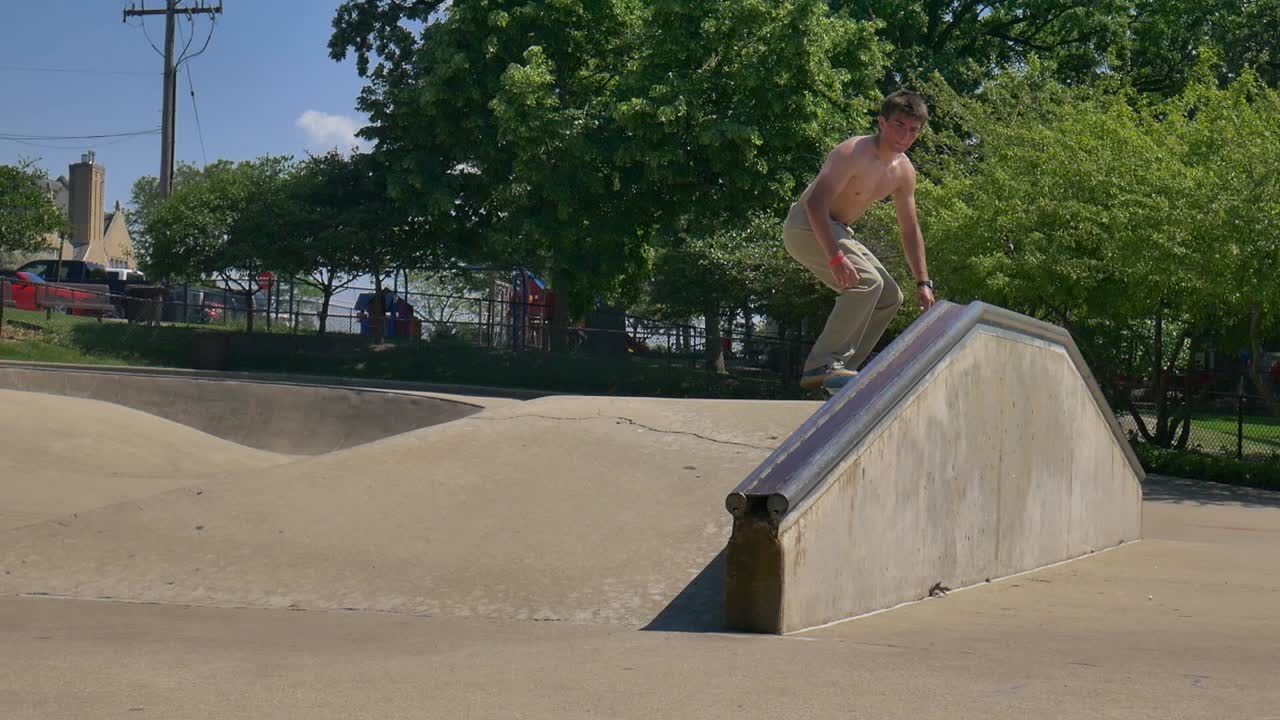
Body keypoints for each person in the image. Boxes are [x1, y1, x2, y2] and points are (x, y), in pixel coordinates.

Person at [784, 89, 936, 391]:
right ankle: (822, 364)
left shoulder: (904, 172)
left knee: (890, 298)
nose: (905, 136)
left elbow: (909, 228)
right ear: (881, 122)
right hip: (806, 226)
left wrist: (923, 281)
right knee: (868, 283)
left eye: (913, 130)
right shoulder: (852, 153)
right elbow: (815, 203)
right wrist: (835, 257)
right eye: (898, 126)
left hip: (838, 228)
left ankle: (840, 379)